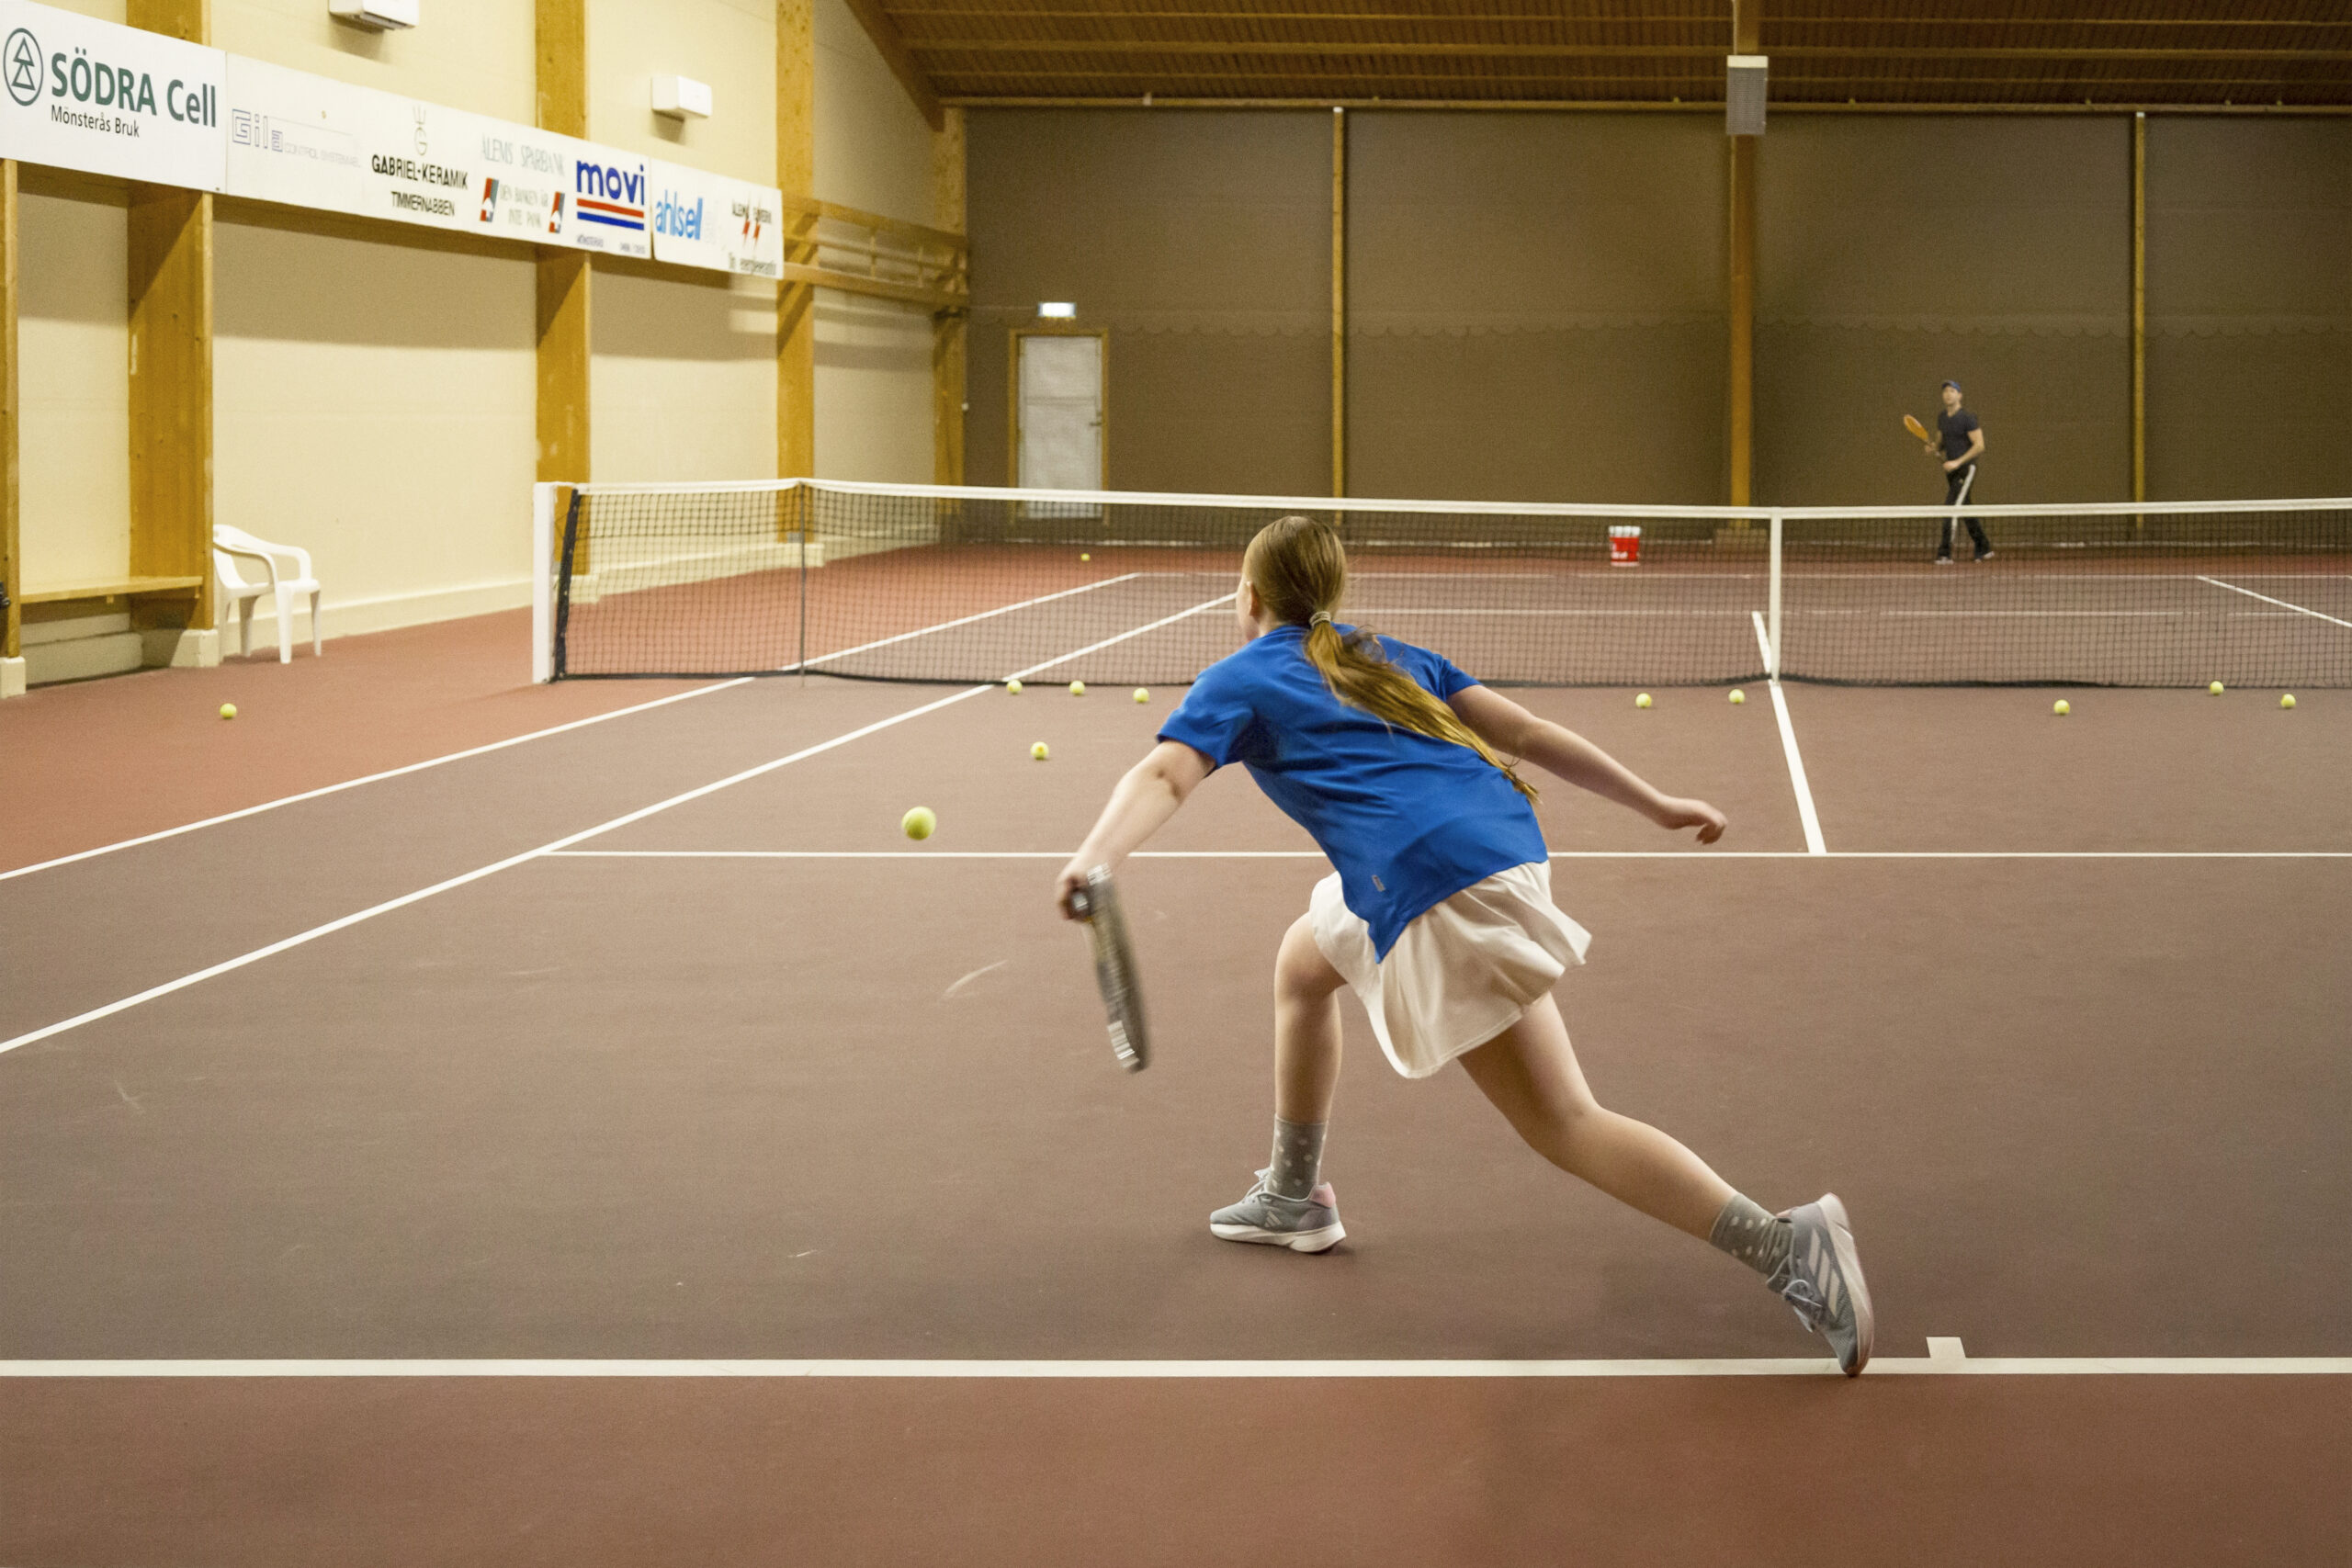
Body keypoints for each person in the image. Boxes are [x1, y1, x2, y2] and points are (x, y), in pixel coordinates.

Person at [1054, 514, 1874, 1375]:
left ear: (1249, 596)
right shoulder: (1386, 653)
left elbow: (1161, 774)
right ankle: (1293, 1194)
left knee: (1566, 1120)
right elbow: (1527, 735)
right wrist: (1656, 803)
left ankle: (1788, 1247)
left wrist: (1094, 857)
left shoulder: (1240, 677)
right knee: (1305, 963)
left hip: (1438, 887)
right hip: (1495, 850)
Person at [1927, 378, 1992, 563]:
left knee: (1950, 507)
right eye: (1945, 391)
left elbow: (1979, 446)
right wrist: (1934, 449)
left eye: (1952, 391)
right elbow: (1940, 443)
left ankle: (1944, 553)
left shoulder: (1968, 418)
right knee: (1965, 508)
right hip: (1952, 472)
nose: (1948, 394)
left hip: (1966, 469)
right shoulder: (1942, 418)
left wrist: (1957, 462)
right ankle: (1984, 547)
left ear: (1959, 395)